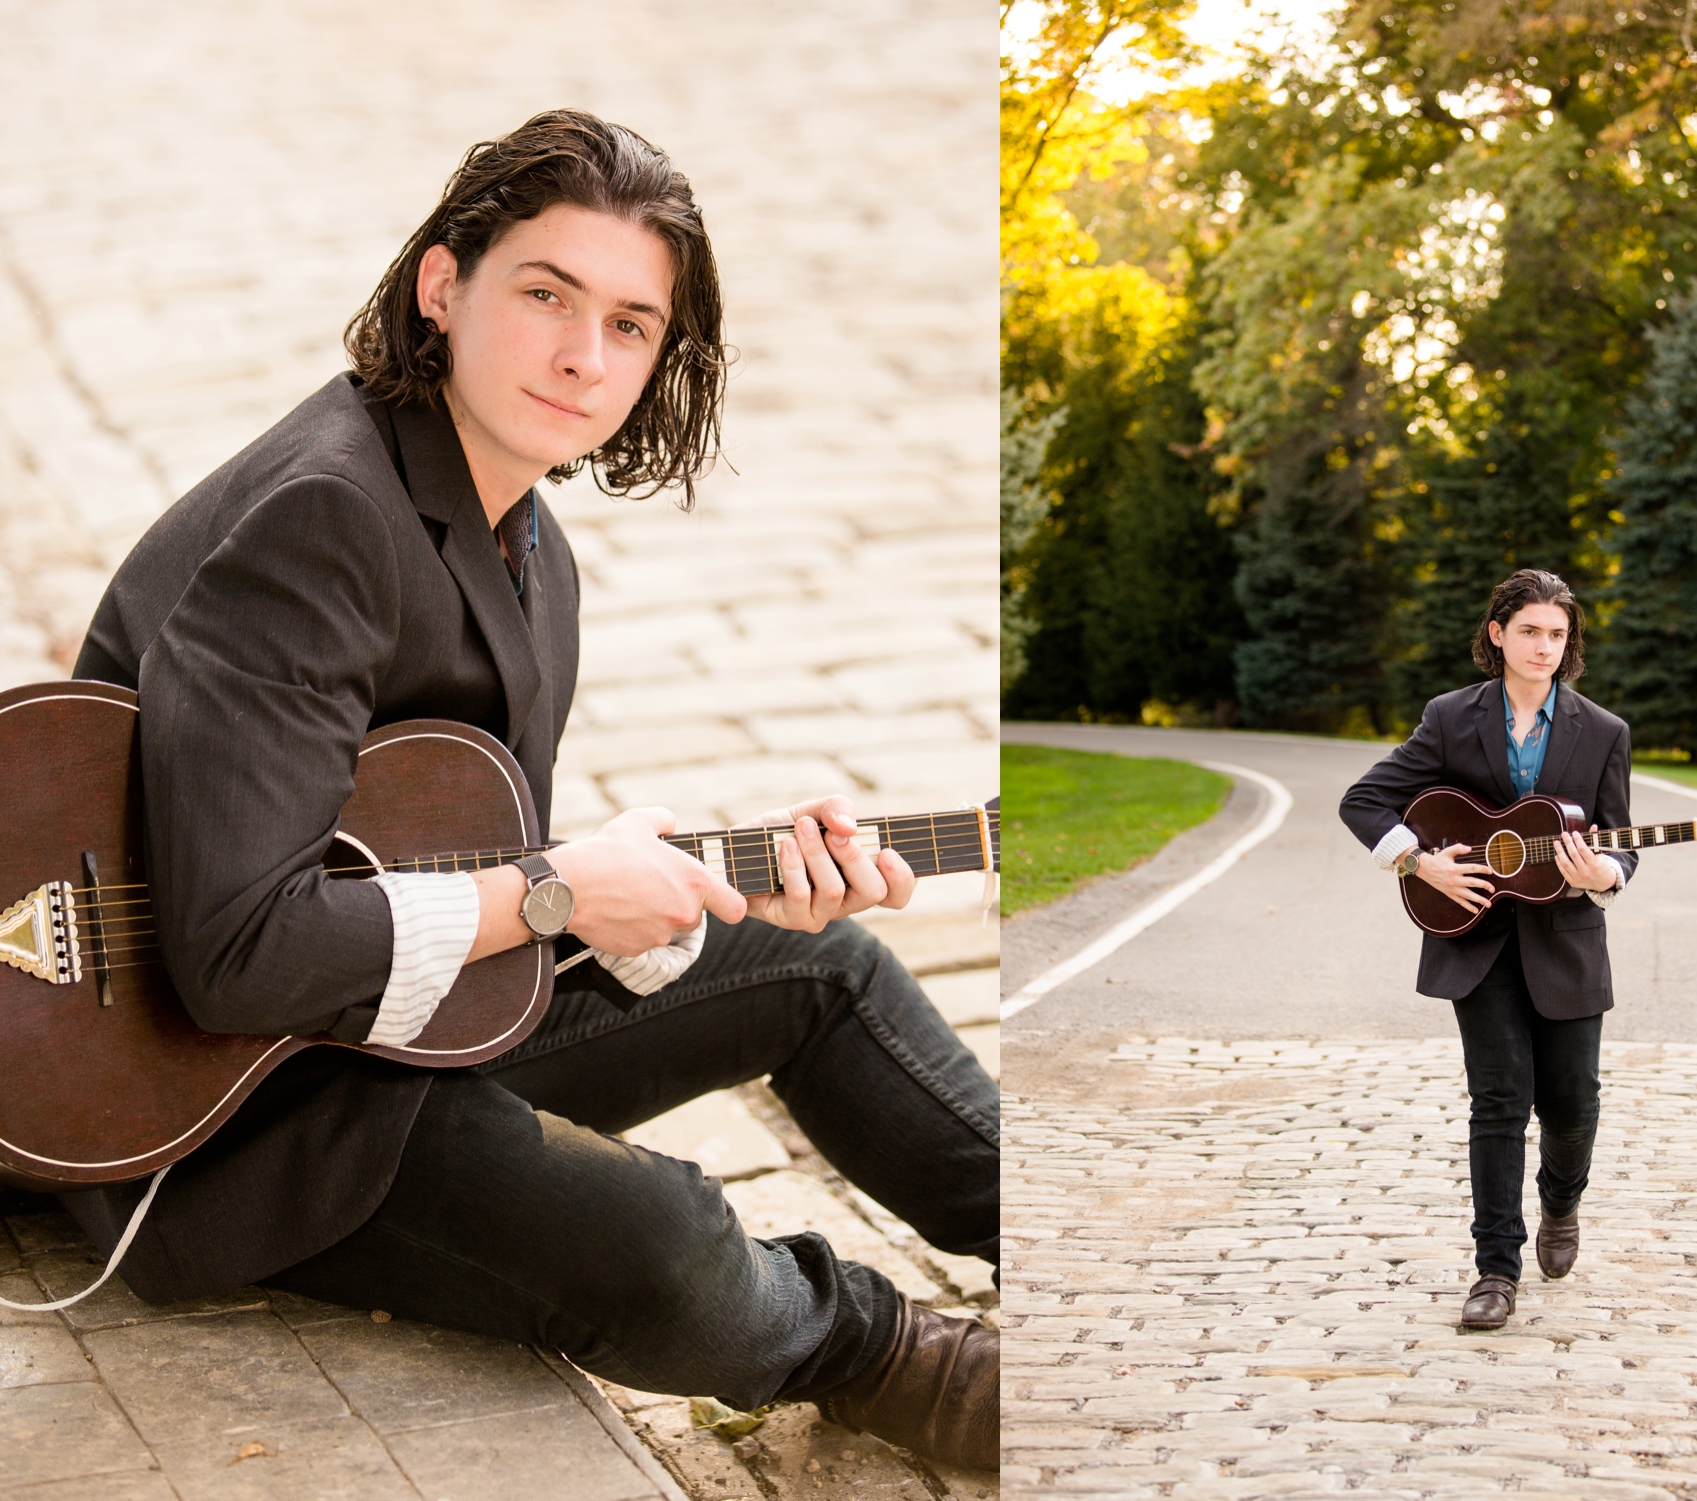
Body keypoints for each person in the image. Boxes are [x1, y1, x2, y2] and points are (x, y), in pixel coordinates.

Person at [55, 110, 998, 1469]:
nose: (582, 355)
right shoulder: (320, 519)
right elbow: (238, 956)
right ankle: (885, 1354)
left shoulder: (524, 540)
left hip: (375, 1026)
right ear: (444, 287)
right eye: (546, 295)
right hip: (229, 1116)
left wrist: (646, 900)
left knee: (822, 965)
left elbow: (424, 848)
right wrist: (557, 886)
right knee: (668, 1238)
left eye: (630, 323)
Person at [1339, 569, 1636, 1331]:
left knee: (1574, 1104)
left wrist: (1604, 872)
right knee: (1498, 1101)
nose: (1544, 645)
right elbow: (1363, 800)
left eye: (1557, 633)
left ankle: (1561, 1205)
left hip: (1567, 941)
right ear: (1498, 633)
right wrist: (1418, 860)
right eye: (1530, 630)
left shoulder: (1603, 732)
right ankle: (1495, 1269)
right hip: (1476, 939)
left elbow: (1620, 843)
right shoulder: (1449, 718)